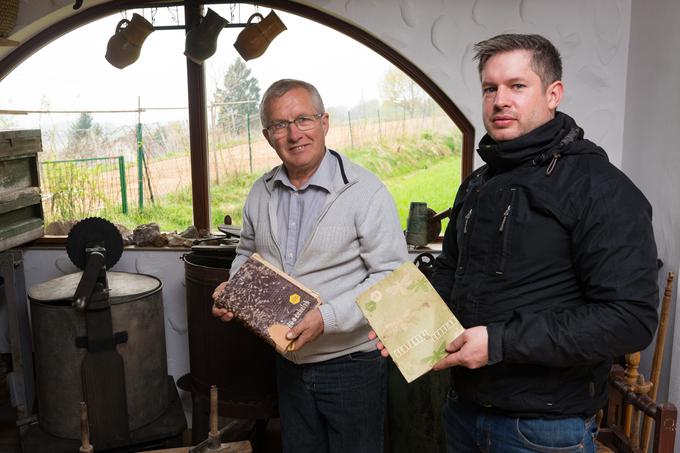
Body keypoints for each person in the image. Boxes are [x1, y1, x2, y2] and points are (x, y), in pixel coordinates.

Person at [374, 34, 659, 452]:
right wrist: (408, 322)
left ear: (553, 94)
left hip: (543, 430)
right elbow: (453, 273)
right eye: (490, 88)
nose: (500, 100)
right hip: (463, 411)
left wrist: (499, 343)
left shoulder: (601, 188)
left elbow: (629, 319)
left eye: (517, 86)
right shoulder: (476, 184)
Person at [212, 78, 408, 453]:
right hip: (288, 363)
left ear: (324, 122)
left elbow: (393, 277)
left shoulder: (366, 192)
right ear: (268, 135)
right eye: (280, 125)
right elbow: (247, 252)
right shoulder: (261, 190)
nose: (293, 133)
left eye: (303, 119)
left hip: (352, 364)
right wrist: (234, 289)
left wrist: (328, 317)